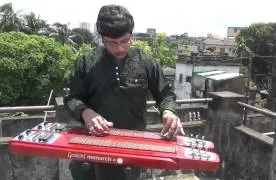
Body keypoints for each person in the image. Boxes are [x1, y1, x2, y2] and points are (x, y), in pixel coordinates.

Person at [63, 4, 185, 180]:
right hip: (91, 146)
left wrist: (168, 111)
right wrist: (85, 112)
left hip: (131, 148)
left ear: (132, 36)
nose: (119, 48)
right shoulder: (86, 62)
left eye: (124, 41)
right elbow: (72, 98)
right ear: (102, 39)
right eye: (112, 43)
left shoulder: (146, 62)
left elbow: (165, 94)